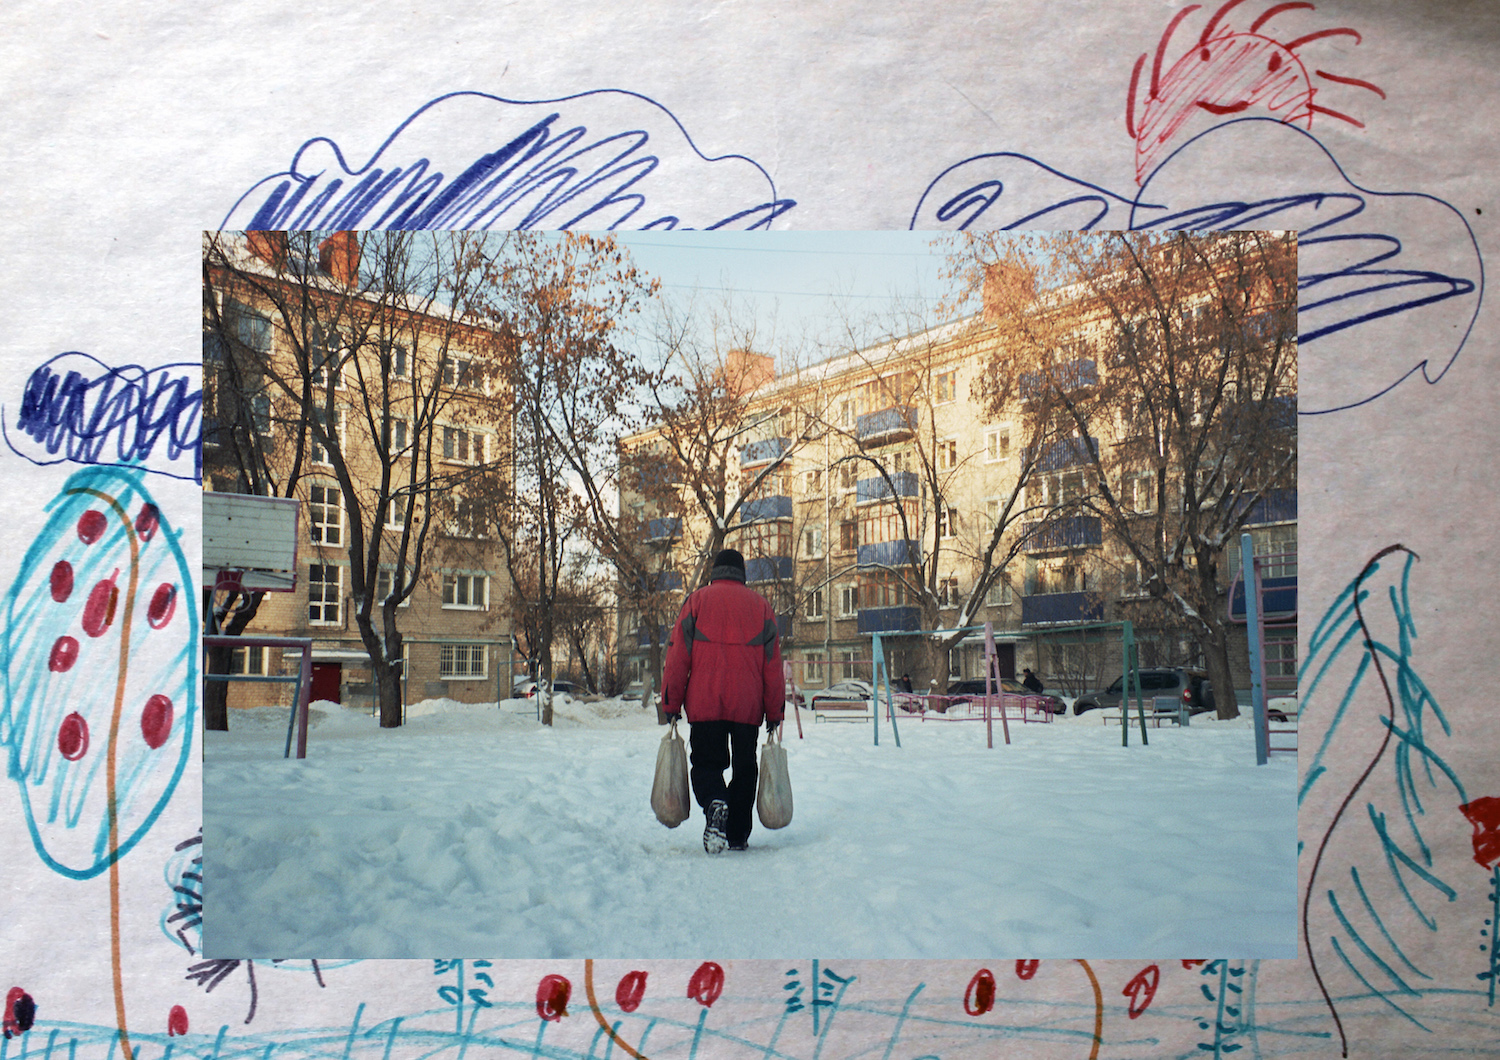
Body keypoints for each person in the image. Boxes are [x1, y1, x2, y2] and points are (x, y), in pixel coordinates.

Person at [662, 548, 786, 854]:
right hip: (747, 704)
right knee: (745, 768)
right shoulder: (761, 607)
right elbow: (772, 664)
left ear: (714, 571)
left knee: (706, 763)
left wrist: (671, 703)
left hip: (705, 704)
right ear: (742, 573)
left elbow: (678, 656)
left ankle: (715, 800)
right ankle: (737, 834)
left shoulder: (696, 602)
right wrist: (775, 709)